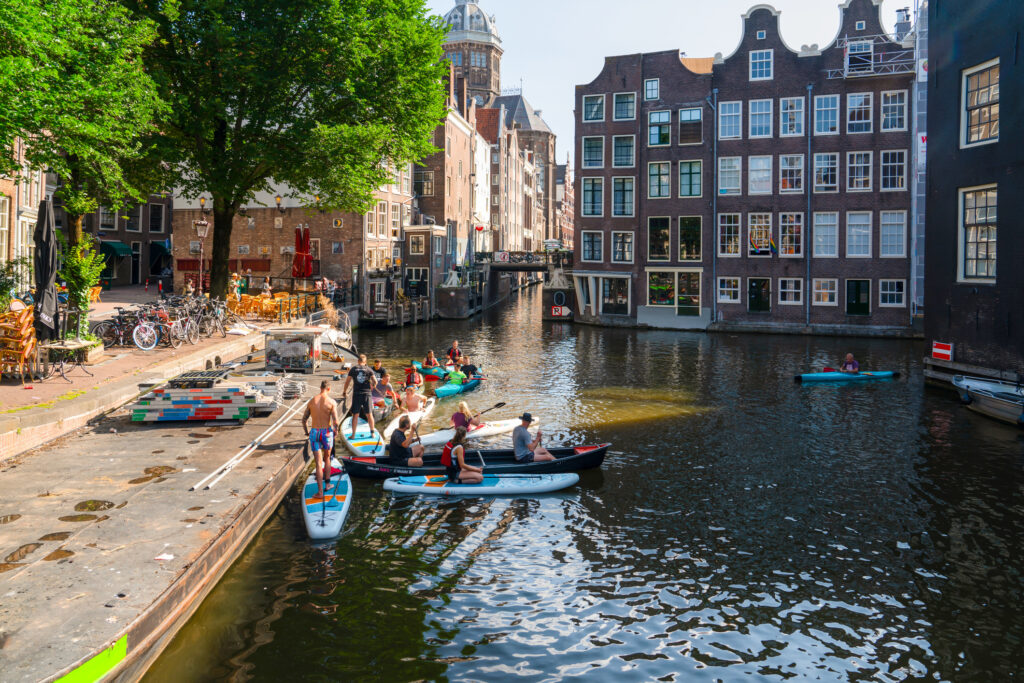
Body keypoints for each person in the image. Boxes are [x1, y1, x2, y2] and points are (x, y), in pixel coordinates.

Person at [302, 380, 340, 499]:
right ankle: (327, 484)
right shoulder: (331, 402)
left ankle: (320, 492)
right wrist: (336, 430)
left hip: (314, 432)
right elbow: (335, 421)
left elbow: (304, 419)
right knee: (327, 458)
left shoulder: (312, 401)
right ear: (328, 389)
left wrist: (307, 432)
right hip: (326, 432)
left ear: (320, 388)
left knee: (318, 463)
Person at [342, 354, 377, 439]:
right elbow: (375, 382)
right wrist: (372, 385)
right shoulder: (369, 369)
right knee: (369, 414)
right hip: (367, 394)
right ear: (365, 362)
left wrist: (344, 391)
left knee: (355, 415)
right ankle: (372, 433)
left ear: (358, 361)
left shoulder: (353, 369)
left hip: (357, 394)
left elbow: (347, 382)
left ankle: (353, 435)